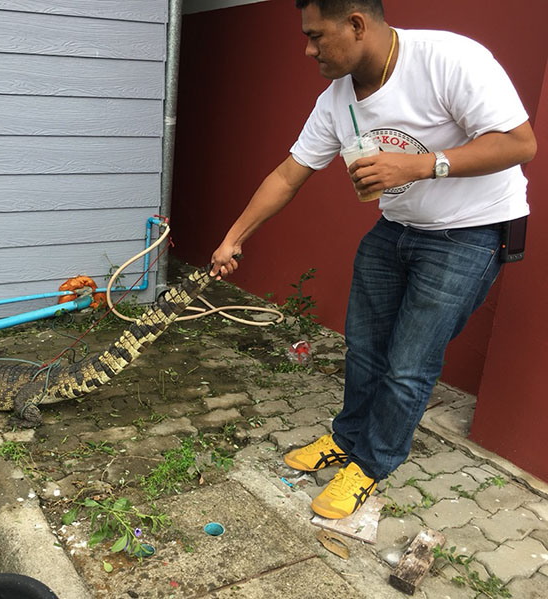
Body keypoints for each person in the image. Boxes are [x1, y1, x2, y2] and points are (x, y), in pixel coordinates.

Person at [209, 0, 537, 520]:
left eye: (317, 36)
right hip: (397, 228)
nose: (307, 49)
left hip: (470, 231)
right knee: (363, 347)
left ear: (357, 24)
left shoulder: (449, 59)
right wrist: (234, 238)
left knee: (408, 364)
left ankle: (371, 464)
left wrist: (420, 165)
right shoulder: (337, 99)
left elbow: (521, 143)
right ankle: (346, 437)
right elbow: (288, 174)